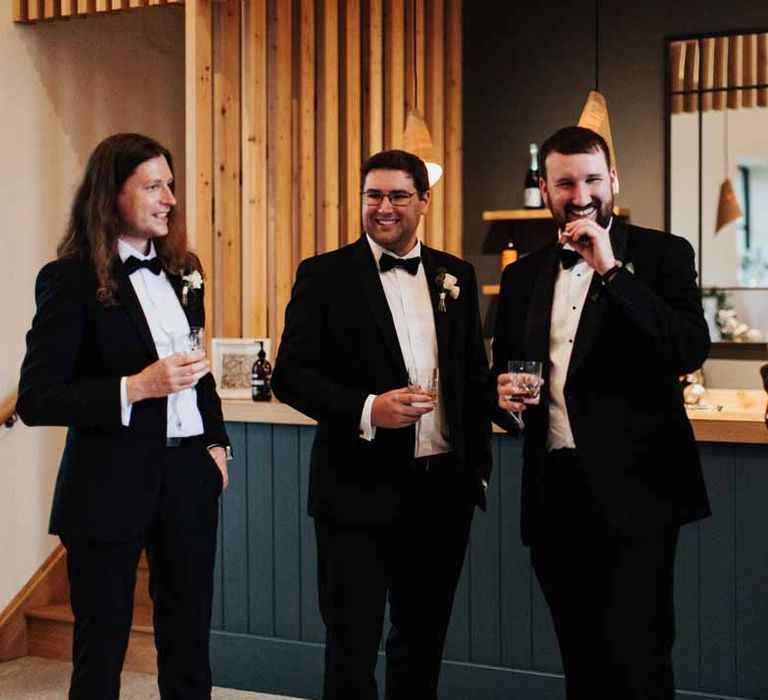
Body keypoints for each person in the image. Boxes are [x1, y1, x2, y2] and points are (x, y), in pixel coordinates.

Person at [492, 126, 711, 699]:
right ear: (545, 189)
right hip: (555, 491)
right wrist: (503, 398)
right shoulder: (520, 277)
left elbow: (687, 348)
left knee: (642, 657)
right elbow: (506, 376)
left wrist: (612, 269)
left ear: (613, 180)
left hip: (639, 492)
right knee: (581, 656)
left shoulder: (663, 255)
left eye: (592, 178)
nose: (580, 192)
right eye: (565, 182)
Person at [17, 133, 231, 699]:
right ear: (112, 194)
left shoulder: (188, 272)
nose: (169, 199)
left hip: (188, 476)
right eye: (154, 186)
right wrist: (134, 387)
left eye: (171, 186)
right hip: (107, 480)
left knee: (189, 641)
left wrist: (216, 445)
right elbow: (38, 397)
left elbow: (198, 368)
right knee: (102, 646)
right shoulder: (69, 279)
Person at [271, 150, 491, 700]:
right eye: (373, 195)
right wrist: (369, 408)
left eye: (397, 196)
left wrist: (496, 411)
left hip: (442, 492)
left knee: (422, 641)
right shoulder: (323, 275)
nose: (384, 207)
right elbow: (290, 377)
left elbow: (471, 378)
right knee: (352, 644)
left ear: (423, 201)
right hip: (355, 490)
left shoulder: (455, 275)